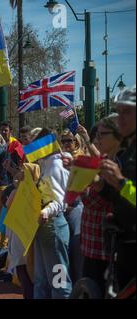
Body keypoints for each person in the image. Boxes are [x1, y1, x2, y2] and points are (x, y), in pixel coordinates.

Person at [75, 116, 122, 295]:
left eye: (102, 135)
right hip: (93, 243)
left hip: (106, 247)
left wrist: (84, 183)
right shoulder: (109, 160)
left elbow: (96, 199)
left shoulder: (123, 163)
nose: (98, 139)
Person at [98, 85, 136, 293]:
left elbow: (128, 189)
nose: (121, 118)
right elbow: (117, 196)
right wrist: (102, 185)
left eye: (128, 111)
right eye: (119, 111)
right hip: (122, 243)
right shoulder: (127, 151)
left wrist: (120, 182)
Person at [32, 128, 72, 299]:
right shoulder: (47, 163)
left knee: (58, 281)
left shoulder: (55, 165)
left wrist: (46, 210)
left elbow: (59, 200)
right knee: (41, 279)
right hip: (44, 227)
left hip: (53, 227)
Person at [60, 129, 85, 285]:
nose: (65, 144)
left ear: (76, 141)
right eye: (63, 141)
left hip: (77, 207)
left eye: (68, 140)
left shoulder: (82, 158)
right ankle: (63, 285)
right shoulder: (59, 159)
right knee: (62, 249)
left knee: (76, 249)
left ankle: (79, 285)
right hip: (61, 208)